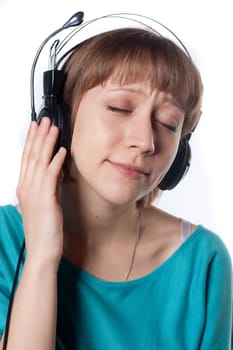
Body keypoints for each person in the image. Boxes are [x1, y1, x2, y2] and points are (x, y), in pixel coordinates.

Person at [0, 18, 232, 350]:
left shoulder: (204, 263)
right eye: (120, 107)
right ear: (59, 120)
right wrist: (41, 257)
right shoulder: (4, 242)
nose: (145, 141)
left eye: (168, 123)